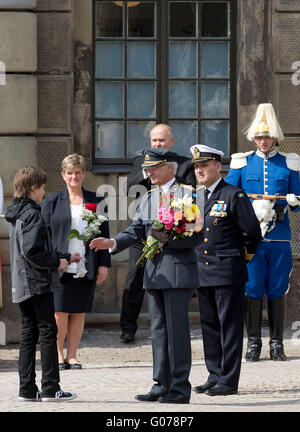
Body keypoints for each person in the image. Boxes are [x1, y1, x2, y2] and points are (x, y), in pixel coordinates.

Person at [90, 148, 202, 404]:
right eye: (147, 169)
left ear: (169, 168)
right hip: (154, 274)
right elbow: (135, 231)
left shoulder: (188, 195)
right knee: (158, 331)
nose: (148, 173)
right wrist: (111, 242)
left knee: (177, 331)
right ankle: (161, 384)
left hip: (176, 274)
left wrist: (167, 239)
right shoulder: (148, 198)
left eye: (153, 168)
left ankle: (180, 387)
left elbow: (195, 236)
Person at [226, 103, 300, 362]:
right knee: (253, 287)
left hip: (279, 235)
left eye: (267, 136)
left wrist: (293, 200)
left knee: (278, 288)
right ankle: (254, 343)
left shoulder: (288, 163)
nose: (263, 141)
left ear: (275, 138)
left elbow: (299, 202)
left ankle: (277, 344)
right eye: (259, 136)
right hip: (251, 236)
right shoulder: (242, 163)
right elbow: (229, 197)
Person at [191, 144, 261, 396]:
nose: (199, 170)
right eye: (197, 166)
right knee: (209, 327)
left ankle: (229, 381)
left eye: (204, 166)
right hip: (202, 271)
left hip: (228, 270)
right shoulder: (198, 197)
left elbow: (252, 232)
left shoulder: (234, 194)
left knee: (229, 328)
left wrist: (242, 256)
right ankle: (214, 374)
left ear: (218, 167)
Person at [5, 166, 78, 401]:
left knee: (29, 333)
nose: (44, 192)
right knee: (48, 331)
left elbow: (32, 248)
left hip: (22, 280)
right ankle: (50, 388)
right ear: (34, 188)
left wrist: (62, 256)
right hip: (36, 281)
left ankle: (27, 389)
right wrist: (58, 261)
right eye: (43, 187)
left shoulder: (16, 212)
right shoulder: (32, 214)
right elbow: (33, 251)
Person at [120, 124, 196, 342]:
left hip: (173, 233)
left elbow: (189, 192)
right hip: (143, 231)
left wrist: (165, 171)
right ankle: (128, 327)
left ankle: (171, 329)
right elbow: (130, 189)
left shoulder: (184, 164)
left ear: (171, 142)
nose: (157, 144)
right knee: (134, 278)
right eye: (154, 141)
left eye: (161, 141)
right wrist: (148, 170)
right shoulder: (140, 162)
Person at [41, 154, 111, 369]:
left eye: (78, 172)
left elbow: (104, 232)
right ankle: (58, 355)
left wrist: (103, 264)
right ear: (63, 175)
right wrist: (51, 260)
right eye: (69, 173)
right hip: (60, 264)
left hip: (86, 263)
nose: (74, 176)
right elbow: (44, 234)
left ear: (84, 174)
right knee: (60, 311)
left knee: (78, 311)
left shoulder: (96, 200)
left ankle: (72, 356)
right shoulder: (52, 201)